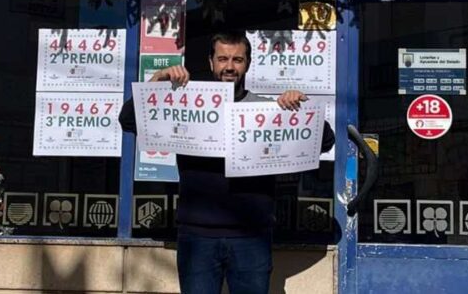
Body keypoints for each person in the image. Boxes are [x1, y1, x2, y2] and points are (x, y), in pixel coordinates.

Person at [118, 31, 335, 294]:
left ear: (248, 64)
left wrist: (298, 109)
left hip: (251, 237)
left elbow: (324, 141)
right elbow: (129, 121)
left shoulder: (265, 110)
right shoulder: (184, 103)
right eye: (222, 59)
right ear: (211, 62)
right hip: (197, 237)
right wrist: (155, 83)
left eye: (237, 59)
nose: (229, 66)